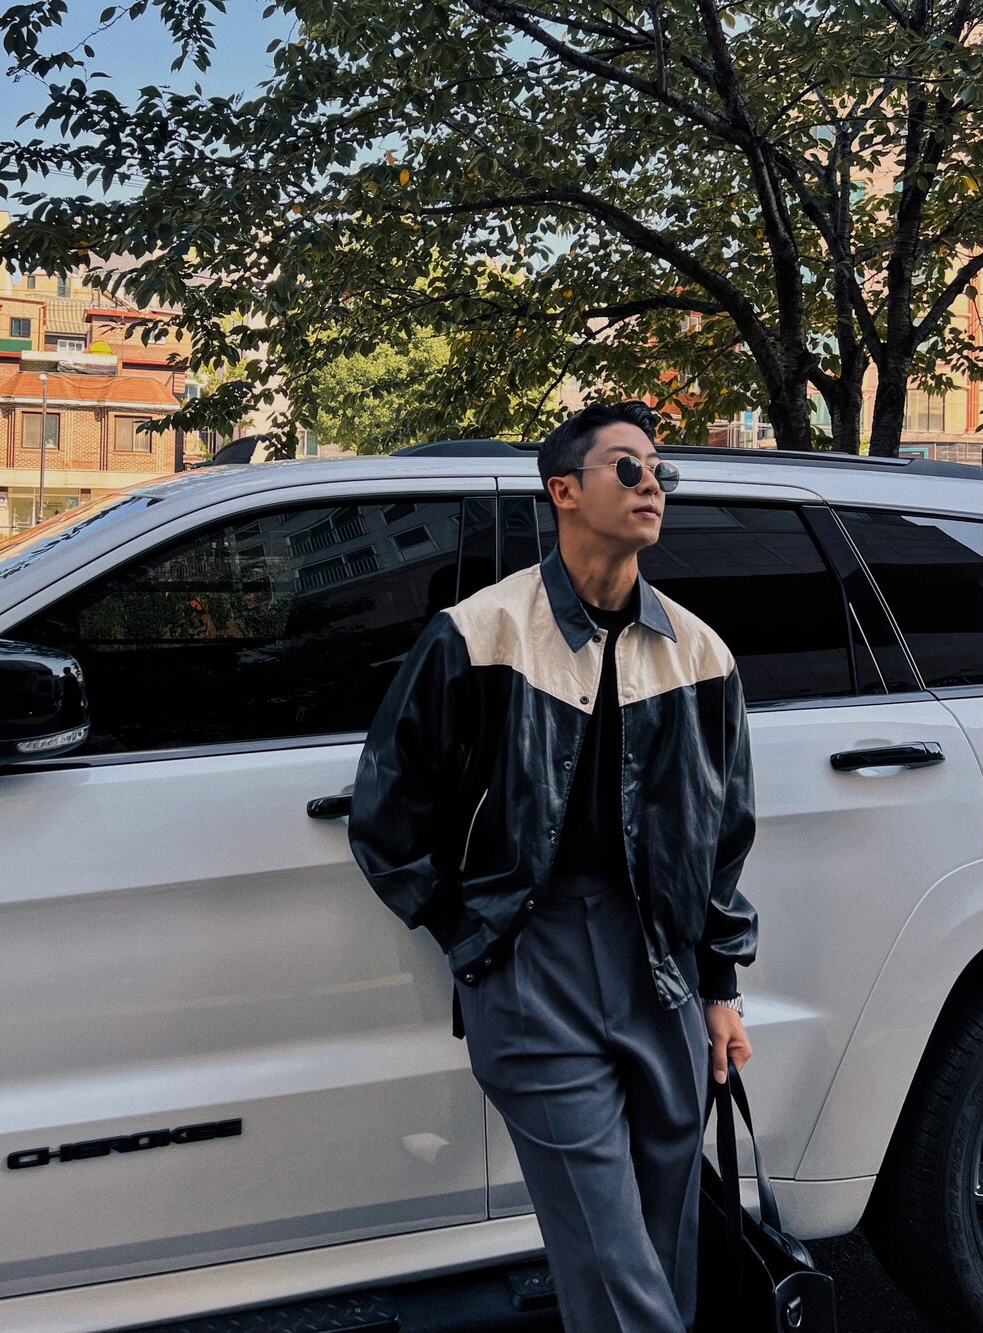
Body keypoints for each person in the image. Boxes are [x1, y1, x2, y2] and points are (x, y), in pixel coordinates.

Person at [348, 400, 757, 1333]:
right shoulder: (480, 634)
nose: (654, 484)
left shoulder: (700, 653)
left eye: (661, 470)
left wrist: (720, 985)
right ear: (563, 490)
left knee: (663, 1230)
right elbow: (387, 812)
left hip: (661, 963)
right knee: (610, 1251)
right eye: (628, 467)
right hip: (533, 960)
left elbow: (725, 833)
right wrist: (475, 939)